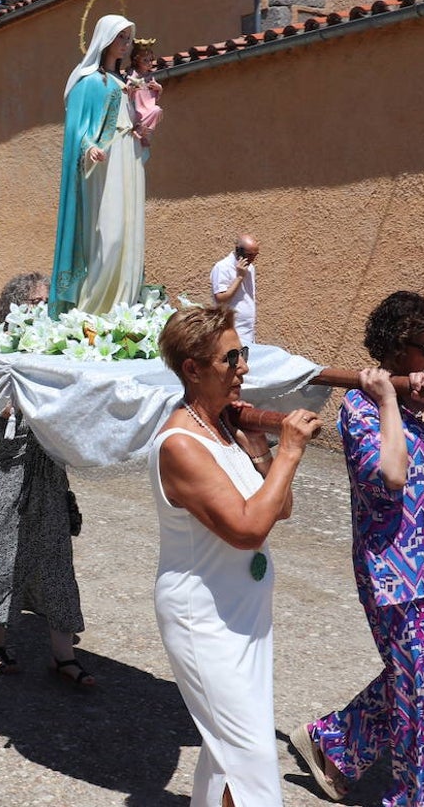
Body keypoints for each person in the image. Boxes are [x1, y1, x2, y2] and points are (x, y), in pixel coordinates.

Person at [291, 291, 424, 807]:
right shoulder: (360, 409)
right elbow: (393, 474)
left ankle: (333, 742)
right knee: (422, 697)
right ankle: (410, 798)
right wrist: (388, 402)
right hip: (396, 577)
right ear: (395, 349)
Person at [150, 305, 321, 807]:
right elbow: (247, 530)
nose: (243, 367)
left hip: (244, 613)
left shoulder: (224, 430)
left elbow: (277, 508)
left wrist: (265, 448)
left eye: (242, 355)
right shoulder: (180, 445)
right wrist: (290, 451)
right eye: (231, 359)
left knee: (226, 754)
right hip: (203, 620)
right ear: (193, 369)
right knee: (252, 759)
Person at [0, 272, 91, 684]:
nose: (43, 310)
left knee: (55, 556)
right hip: (3, 466)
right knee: (2, 556)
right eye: (35, 302)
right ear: (15, 306)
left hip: (45, 468)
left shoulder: (55, 349)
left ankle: (62, 653)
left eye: (45, 303)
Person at [49, 14, 145, 318]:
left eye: (129, 38)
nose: (126, 44)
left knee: (130, 232)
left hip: (128, 157)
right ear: (105, 38)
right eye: (121, 37)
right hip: (102, 165)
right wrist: (89, 147)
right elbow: (75, 129)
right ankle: (92, 307)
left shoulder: (124, 81)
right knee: (109, 232)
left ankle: (122, 307)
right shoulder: (87, 82)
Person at [210, 234, 260, 346]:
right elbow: (220, 298)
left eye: (255, 255)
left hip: (248, 329)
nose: (253, 259)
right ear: (238, 250)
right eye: (249, 255)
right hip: (232, 328)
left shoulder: (250, 268)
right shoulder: (222, 267)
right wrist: (239, 277)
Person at [126, 37, 163, 147]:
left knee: (157, 110)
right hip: (137, 107)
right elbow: (128, 87)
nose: (149, 63)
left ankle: (143, 132)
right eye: (145, 60)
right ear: (137, 60)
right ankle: (139, 130)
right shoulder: (134, 73)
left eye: (150, 60)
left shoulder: (150, 76)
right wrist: (133, 86)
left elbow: (156, 95)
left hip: (148, 107)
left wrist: (159, 88)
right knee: (150, 112)